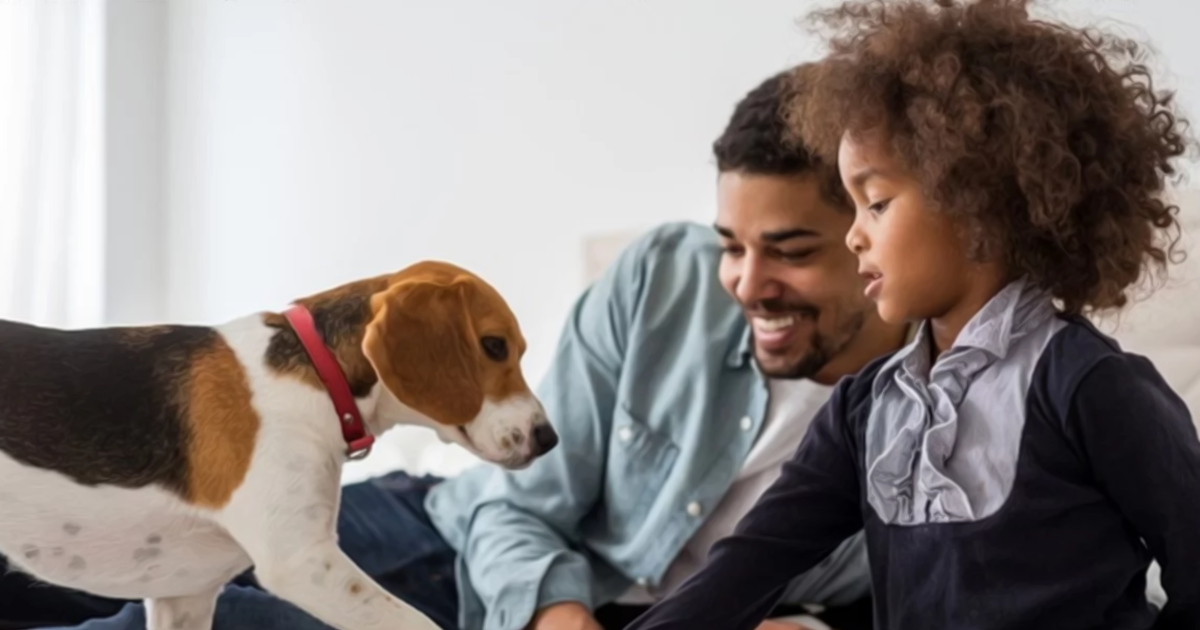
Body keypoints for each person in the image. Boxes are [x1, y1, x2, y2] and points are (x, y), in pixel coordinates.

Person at [7, 67, 908, 630]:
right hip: (452, 533)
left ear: (870, 229)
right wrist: (556, 616)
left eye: (790, 251)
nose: (747, 285)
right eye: (731, 245)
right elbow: (523, 502)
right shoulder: (665, 278)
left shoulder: (935, 413)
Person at [622, 1, 1200, 629]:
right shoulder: (864, 411)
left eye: (874, 203)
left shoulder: (1091, 388)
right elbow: (747, 566)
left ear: (977, 203)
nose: (853, 238)